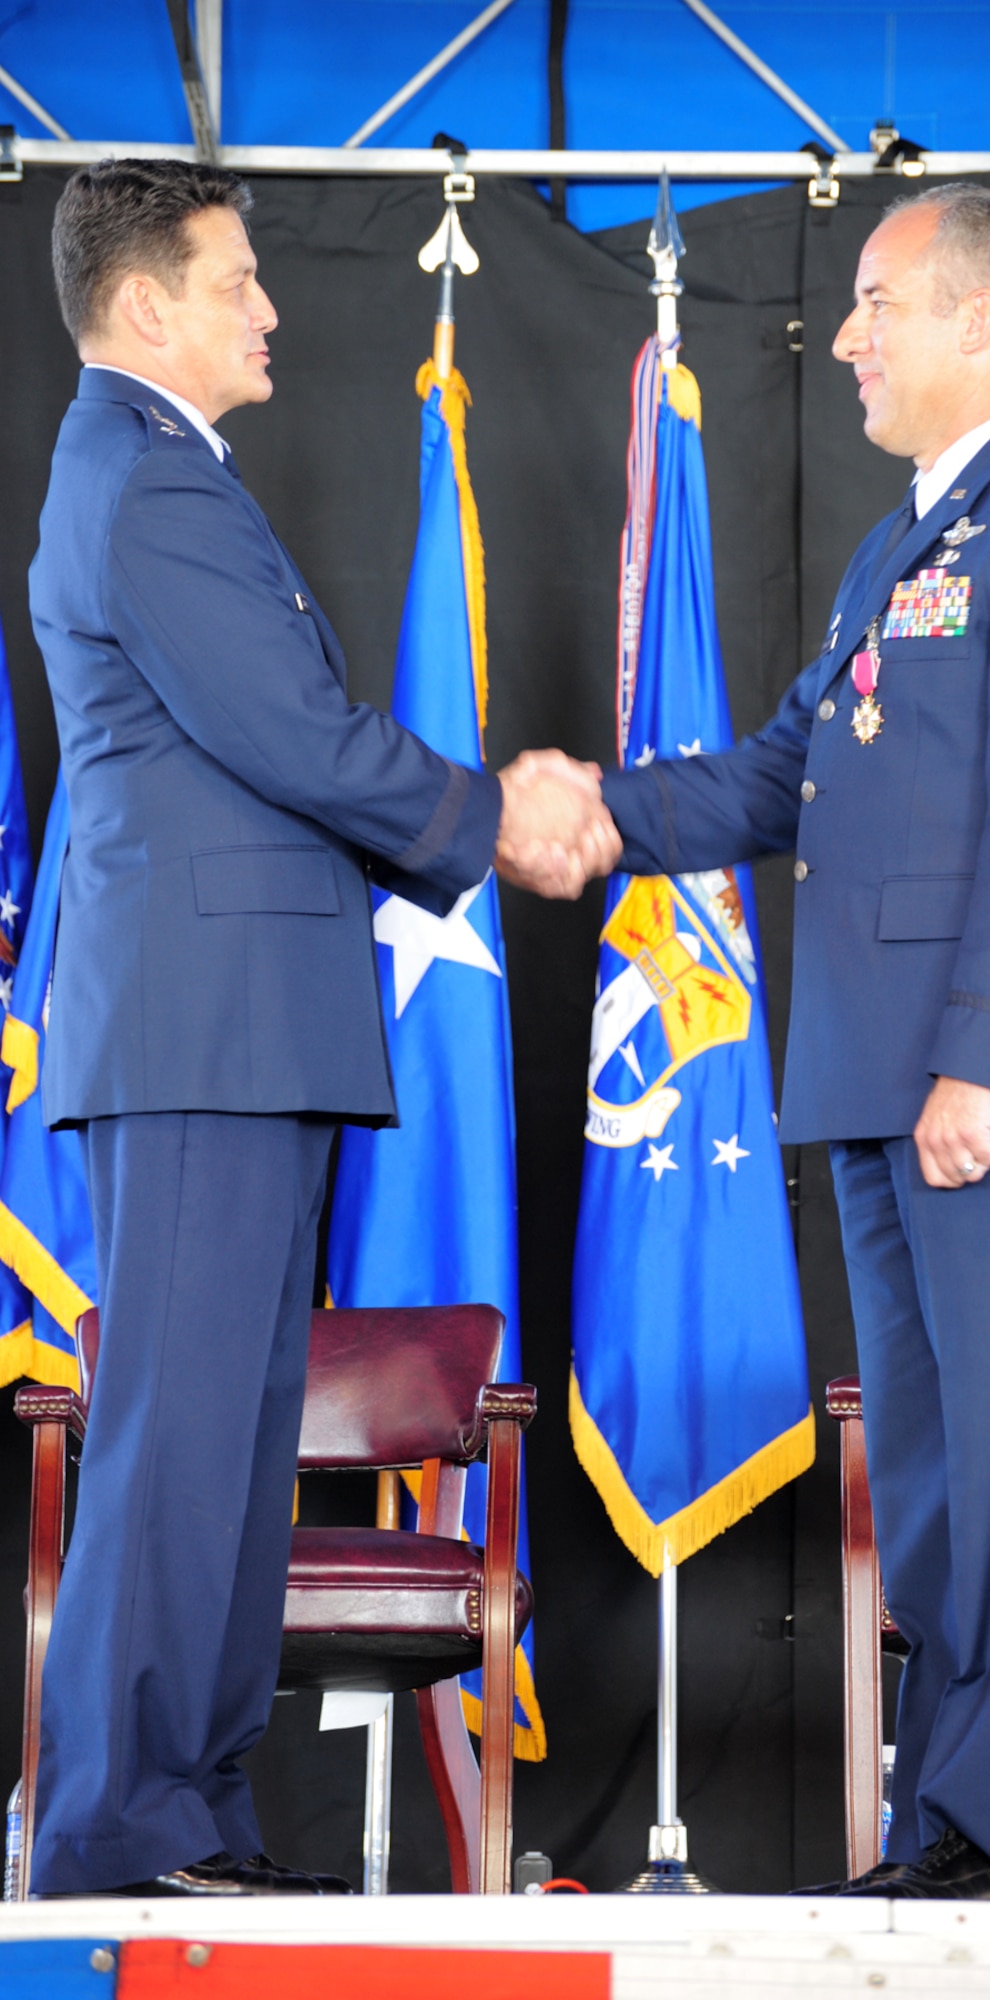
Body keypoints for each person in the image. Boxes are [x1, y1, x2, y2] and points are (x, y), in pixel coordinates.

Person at [26, 157, 620, 1899]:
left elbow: (274, 738)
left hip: (234, 1032)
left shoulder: (151, 473)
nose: (269, 309)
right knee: (177, 1446)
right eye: (235, 281)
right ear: (148, 305)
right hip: (206, 1038)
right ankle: (120, 1830)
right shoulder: (147, 484)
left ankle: (184, 1818)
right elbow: (295, 731)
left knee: (221, 1449)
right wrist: (493, 817)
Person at [600, 183, 990, 1900]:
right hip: (874, 1073)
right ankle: (954, 1823)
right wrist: (560, 816)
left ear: (977, 322)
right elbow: (783, 771)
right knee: (927, 1475)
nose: (842, 335)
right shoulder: (899, 544)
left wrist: (981, 1064)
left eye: (874, 303)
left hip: (987, 1082)